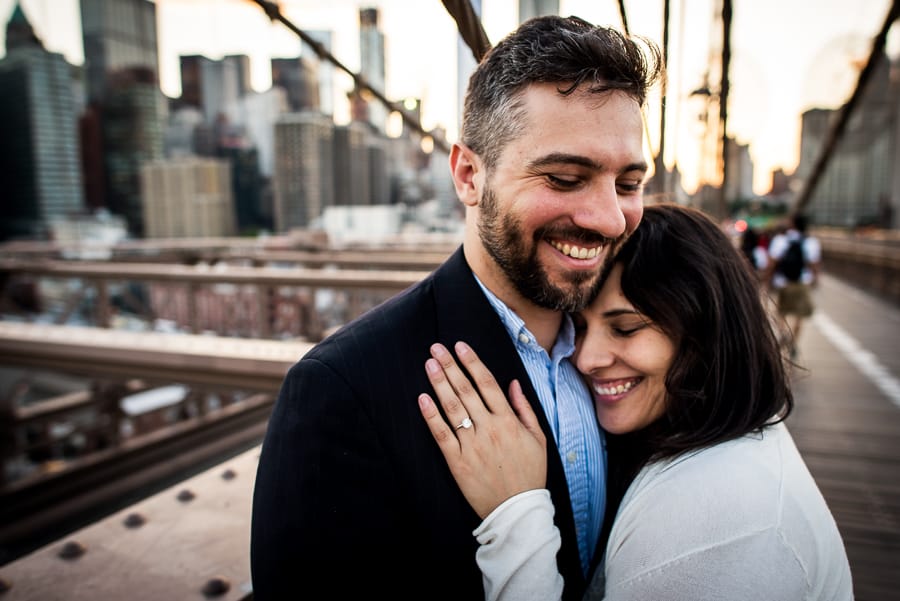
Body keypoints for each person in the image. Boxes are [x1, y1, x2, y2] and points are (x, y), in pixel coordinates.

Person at [250, 16, 663, 600]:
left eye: (627, 183)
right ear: (469, 174)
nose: (609, 218)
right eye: (566, 178)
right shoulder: (341, 391)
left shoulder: (646, 353)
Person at [418, 203, 852, 600]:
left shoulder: (721, 532)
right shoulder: (725, 445)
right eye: (580, 329)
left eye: (625, 329)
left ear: (704, 334)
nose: (586, 360)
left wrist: (515, 517)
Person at [764, 213, 821, 358]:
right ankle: (793, 343)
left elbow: (772, 263)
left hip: (783, 282)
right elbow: (813, 264)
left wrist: (767, 279)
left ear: (792, 224)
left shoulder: (781, 240)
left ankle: (784, 334)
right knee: (798, 316)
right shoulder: (811, 242)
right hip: (802, 282)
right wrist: (815, 279)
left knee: (781, 313)